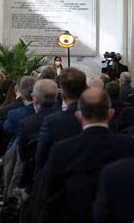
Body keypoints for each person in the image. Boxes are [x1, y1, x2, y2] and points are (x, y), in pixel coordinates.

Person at [37, 88, 134, 223]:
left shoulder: (62, 150)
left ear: (79, 115)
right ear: (111, 114)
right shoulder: (128, 146)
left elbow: (49, 193)